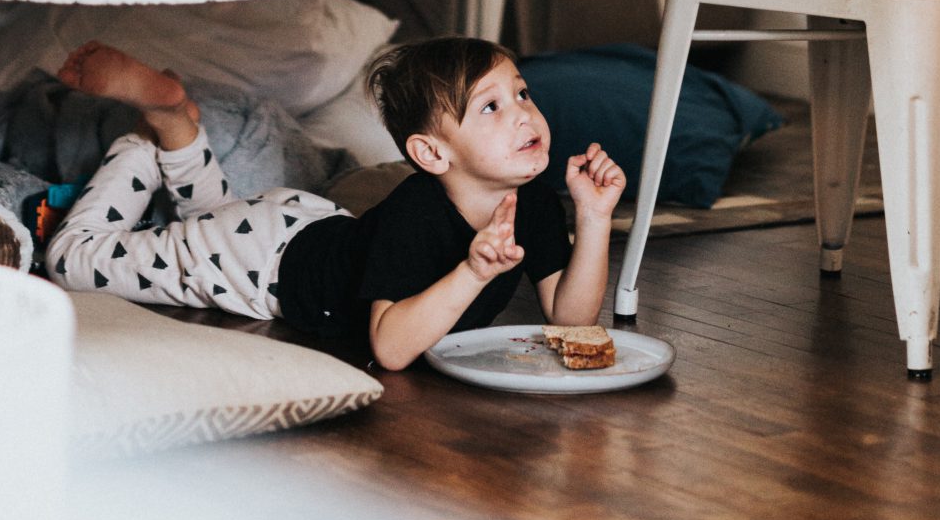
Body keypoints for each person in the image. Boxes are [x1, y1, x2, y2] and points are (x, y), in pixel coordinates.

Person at [42, 35, 625, 371]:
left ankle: (175, 124)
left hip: (306, 225)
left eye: (522, 92)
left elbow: (572, 323)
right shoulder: (415, 213)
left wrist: (594, 217)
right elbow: (391, 349)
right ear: (432, 153)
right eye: (491, 106)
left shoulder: (538, 203)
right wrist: (474, 272)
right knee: (70, 261)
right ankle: (145, 144)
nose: (524, 112)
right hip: (264, 263)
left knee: (204, 223)